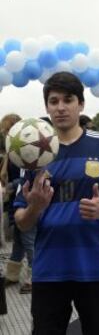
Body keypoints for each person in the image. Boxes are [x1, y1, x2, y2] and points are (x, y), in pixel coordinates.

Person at [14, 71, 99, 335]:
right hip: (49, 270)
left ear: (80, 104)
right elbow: (22, 222)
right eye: (54, 101)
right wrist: (35, 206)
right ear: (46, 107)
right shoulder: (32, 153)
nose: (60, 108)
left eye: (67, 100)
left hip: (96, 268)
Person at [0, 114, 35, 294]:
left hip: (24, 201)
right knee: (19, 240)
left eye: (6, 131)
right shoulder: (12, 151)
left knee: (29, 241)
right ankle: (13, 275)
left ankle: (35, 277)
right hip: (16, 201)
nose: (5, 134)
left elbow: (25, 178)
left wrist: (10, 187)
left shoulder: (26, 149)